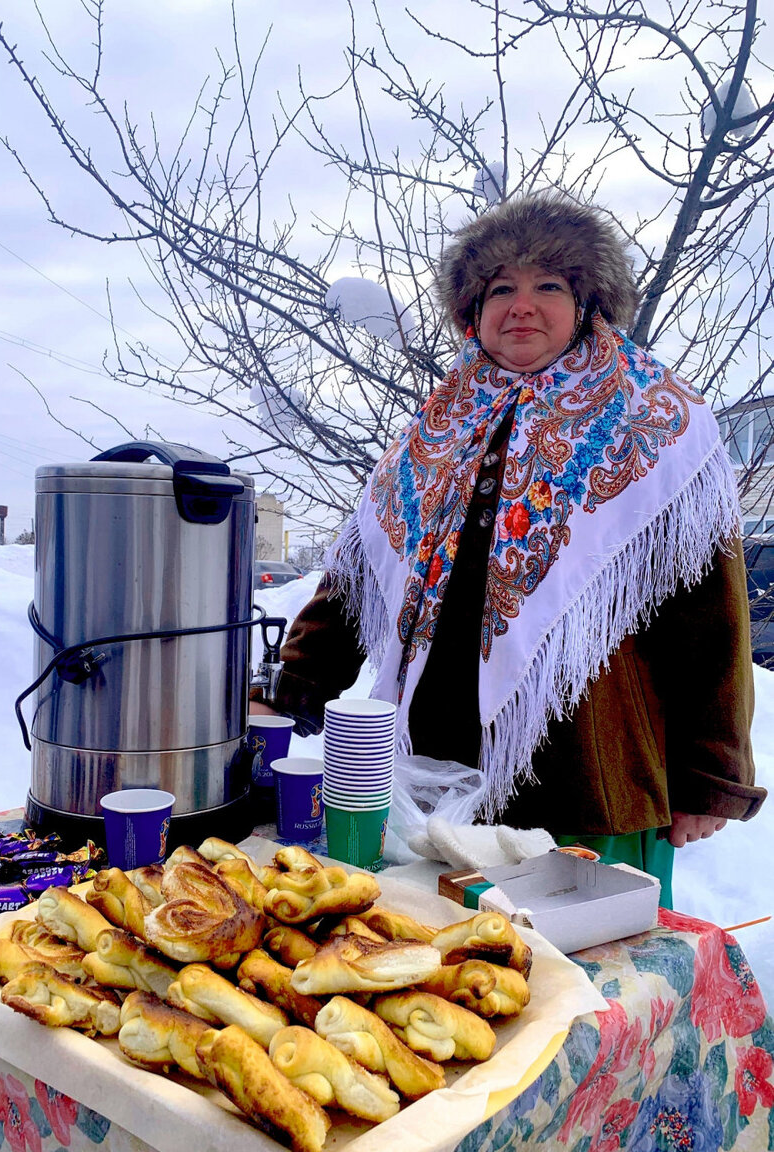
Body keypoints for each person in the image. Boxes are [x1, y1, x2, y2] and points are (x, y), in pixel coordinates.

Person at [251, 191, 766, 907]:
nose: (522, 305)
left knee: (585, 994)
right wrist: (294, 688)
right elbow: (360, 578)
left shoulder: (660, 424)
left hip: (589, 780)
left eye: (548, 285)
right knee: (444, 985)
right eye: (501, 289)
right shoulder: (434, 427)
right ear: (473, 313)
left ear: (587, 302)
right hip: (436, 770)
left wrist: (713, 778)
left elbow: (712, 619)